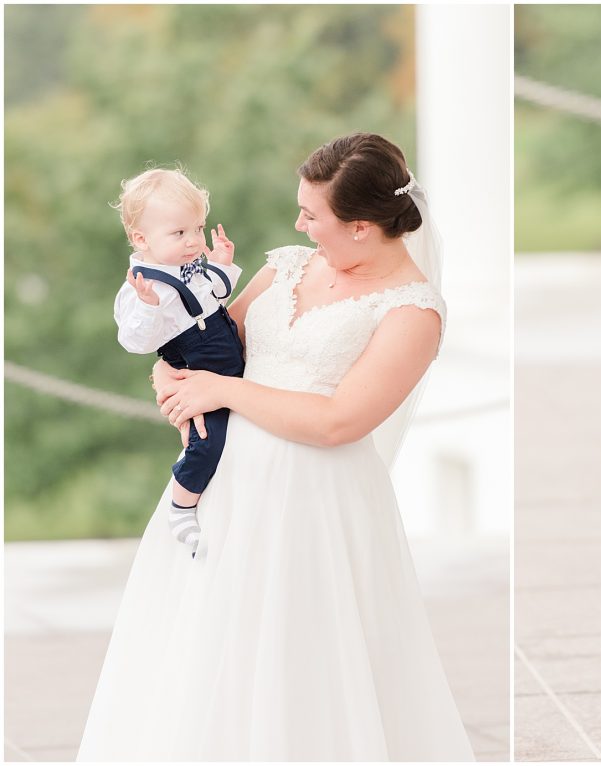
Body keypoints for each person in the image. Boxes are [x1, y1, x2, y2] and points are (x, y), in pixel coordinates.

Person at [78, 133, 475, 761]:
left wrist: (221, 392)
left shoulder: (412, 313)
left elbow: (340, 422)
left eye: (313, 215)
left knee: (301, 655)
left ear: (364, 227)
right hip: (226, 487)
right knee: (203, 650)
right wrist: (169, 374)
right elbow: (211, 339)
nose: (299, 224)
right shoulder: (287, 265)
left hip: (317, 503)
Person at [113, 168, 243, 555]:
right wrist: (149, 307)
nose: (193, 242)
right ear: (141, 239)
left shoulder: (190, 267)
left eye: (197, 229)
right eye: (179, 233)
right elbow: (134, 341)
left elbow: (215, 296)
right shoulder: (143, 286)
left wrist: (222, 264)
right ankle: (182, 505)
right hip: (197, 370)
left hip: (227, 360)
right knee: (207, 440)